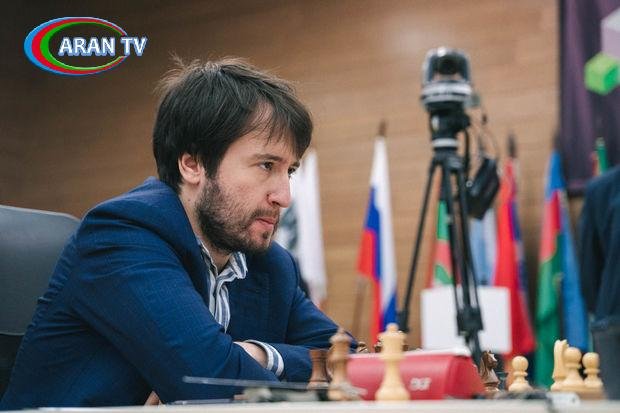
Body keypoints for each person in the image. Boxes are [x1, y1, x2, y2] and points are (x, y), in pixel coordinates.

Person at [0, 58, 349, 408]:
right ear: (192, 164)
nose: (284, 196)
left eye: (290, 170)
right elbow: (210, 382)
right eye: (266, 165)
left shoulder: (270, 264)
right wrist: (260, 363)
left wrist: (258, 354)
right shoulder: (121, 234)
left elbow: (350, 359)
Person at [578, 164, 620, 400]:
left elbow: (589, 271)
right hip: (614, 324)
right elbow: (589, 269)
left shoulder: (602, 189)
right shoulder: (600, 190)